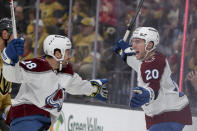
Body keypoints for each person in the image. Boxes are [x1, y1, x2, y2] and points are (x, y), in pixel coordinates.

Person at [1, 34, 108, 131]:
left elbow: (77, 85)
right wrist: (10, 60)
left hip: (42, 121)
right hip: (25, 118)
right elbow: (13, 75)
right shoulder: (37, 66)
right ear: (57, 53)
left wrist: (94, 89)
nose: (69, 56)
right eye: (67, 52)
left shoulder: (66, 71)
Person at [114, 27, 192, 131]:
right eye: (133, 42)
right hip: (164, 114)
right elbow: (133, 59)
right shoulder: (144, 59)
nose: (133, 45)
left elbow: (153, 87)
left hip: (170, 114)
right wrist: (121, 51)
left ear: (149, 45)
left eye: (137, 42)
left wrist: (148, 95)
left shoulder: (155, 61)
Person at [0, 18, 13, 131]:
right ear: (5, 34)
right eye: (13, 36)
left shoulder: (9, 63)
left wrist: (12, 114)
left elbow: (5, 100)